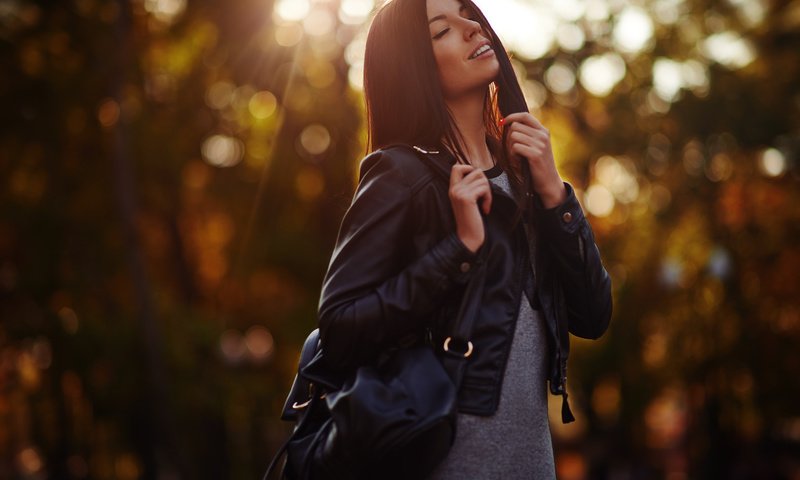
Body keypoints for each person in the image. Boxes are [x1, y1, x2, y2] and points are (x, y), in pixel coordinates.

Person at [316, 0, 613, 477]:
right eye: (442, 30)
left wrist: (556, 195)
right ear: (413, 65)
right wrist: (458, 250)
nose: (472, 27)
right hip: (447, 464)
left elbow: (594, 315)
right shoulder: (400, 175)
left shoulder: (526, 180)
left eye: (466, 13)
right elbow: (340, 328)